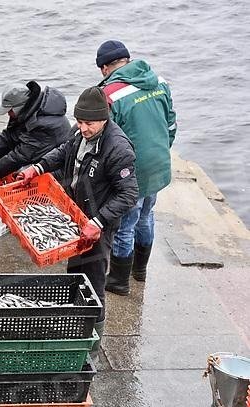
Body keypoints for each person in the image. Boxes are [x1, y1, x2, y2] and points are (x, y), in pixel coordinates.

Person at [14, 86, 138, 344]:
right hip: (77, 217)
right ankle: (74, 325)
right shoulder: (79, 133)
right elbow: (63, 152)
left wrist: (98, 221)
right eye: (80, 122)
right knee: (75, 274)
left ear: (104, 118)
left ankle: (94, 342)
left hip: (98, 225)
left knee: (93, 282)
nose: (83, 128)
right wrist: (37, 168)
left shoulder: (118, 148)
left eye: (89, 123)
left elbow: (128, 194)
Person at [95, 40, 177, 295]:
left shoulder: (110, 94)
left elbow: (105, 138)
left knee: (125, 224)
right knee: (146, 215)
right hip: (158, 163)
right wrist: (161, 150)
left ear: (105, 68)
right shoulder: (159, 81)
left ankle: (119, 281)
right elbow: (171, 124)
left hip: (132, 168)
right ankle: (139, 270)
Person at [0, 81, 71, 188]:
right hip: (31, 149)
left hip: (52, 164)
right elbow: (9, 136)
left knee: (20, 172)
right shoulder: (28, 110)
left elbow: (19, 156)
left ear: (19, 107)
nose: (8, 114)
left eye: (10, 110)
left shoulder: (42, 124)